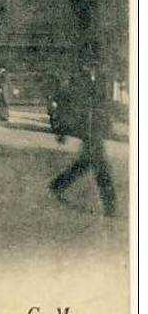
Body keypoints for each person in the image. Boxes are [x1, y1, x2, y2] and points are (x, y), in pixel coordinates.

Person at [49, 62, 116, 217]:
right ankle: (110, 205)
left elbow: (102, 103)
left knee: (86, 163)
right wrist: (62, 130)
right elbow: (67, 105)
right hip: (87, 127)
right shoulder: (78, 80)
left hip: (95, 127)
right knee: (101, 165)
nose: (92, 67)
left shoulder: (99, 79)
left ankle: (58, 185)